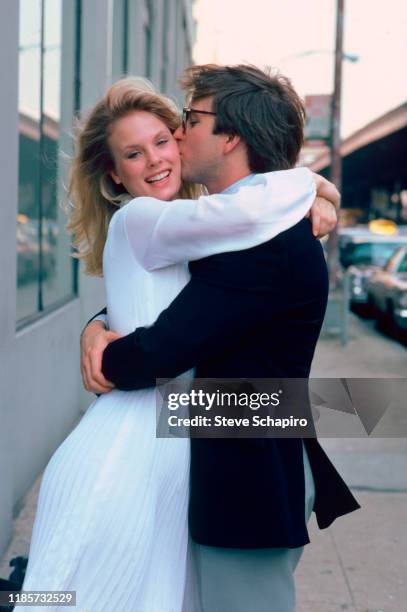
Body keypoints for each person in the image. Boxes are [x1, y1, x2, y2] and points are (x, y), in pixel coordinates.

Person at [19, 74, 338, 612]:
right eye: (134, 153)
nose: (176, 142)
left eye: (182, 127)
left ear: (231, 136)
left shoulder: (261, 237)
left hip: (244, 474)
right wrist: (97, 327)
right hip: (150, 453)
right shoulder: (198, 224)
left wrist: (105, 347)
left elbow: (156, 351)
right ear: (113, 174)